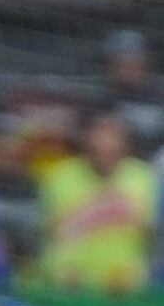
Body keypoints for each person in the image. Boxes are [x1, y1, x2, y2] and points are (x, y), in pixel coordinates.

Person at [38, 111, 156, 293]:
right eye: (98, 147)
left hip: (124, 284)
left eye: (111, 148)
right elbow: (54, 232)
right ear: (86, 144)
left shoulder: (141, 177)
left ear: (124, 147)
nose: (105, 152)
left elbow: (147, 231)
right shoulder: (61, 176)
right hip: (69, 281)